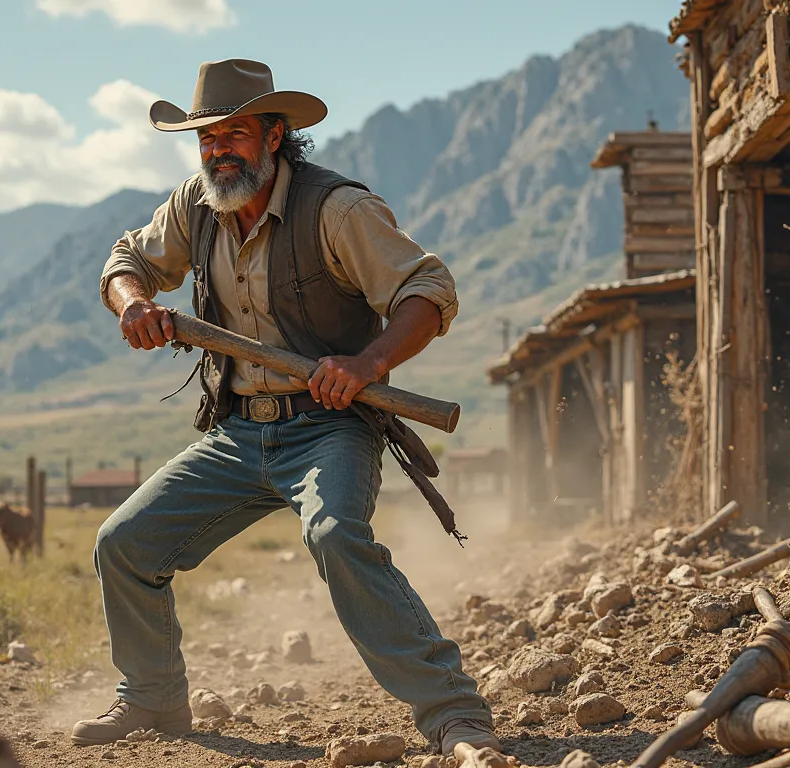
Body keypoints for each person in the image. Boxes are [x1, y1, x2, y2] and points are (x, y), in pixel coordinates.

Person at [73, 58, 499, 756]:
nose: (217, 150)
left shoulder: (338, 210)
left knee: (334, 534)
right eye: (206, 138)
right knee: (124, 545)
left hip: (331, 427)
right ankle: (152, 699)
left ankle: (455, 713)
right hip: (239, 431)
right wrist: (137, 305)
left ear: (275, 136)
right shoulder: (195, 206)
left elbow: (428, 287)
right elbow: (126, 262)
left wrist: (368, 364)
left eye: (233, 134)